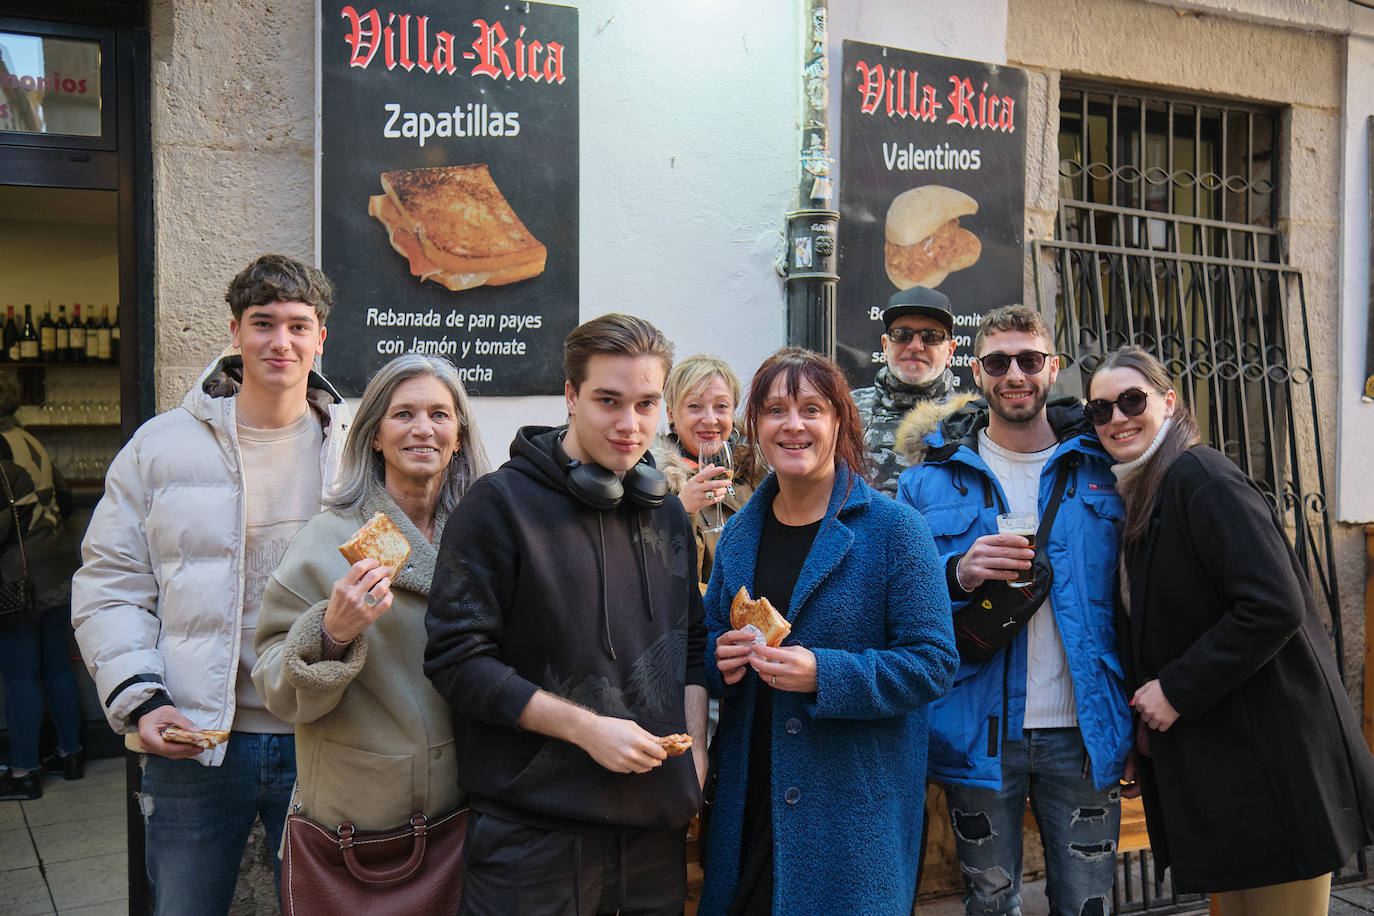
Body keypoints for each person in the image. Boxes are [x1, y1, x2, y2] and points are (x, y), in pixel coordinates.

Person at [71, 254, 350, 915]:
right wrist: (141, 699)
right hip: (196, 741)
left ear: (321, 338)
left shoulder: (357, 446)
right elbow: (111, 581)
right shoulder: (161, 445)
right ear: (234, 332)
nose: (280, 342)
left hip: (329, 736)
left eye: (297, 325)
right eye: (262, 324)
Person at [423, 313, 708, 916]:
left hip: (651, 837)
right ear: (571, 396)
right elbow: (458, 663)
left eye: (647, 403)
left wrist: (698, 757)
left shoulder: (666, 513)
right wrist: (586, 729)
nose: (630, 425)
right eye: (609, 400)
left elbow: (690, 645)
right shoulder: (497, 506)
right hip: (531, 841)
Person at [1087, 346, 1374, 914]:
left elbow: (1273, 605)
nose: (1117, 417)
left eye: (1132, 400)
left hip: (1273, 768)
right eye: (1100, 410)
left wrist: (1175, 689)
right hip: (1231, 771)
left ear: (1168, 403)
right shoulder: (1147, 488)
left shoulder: (1201, 475)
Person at [699, 347, 959, 916]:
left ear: (840, 421)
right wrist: (721, 658)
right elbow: (709, 644)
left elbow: (935, 662)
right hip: (749, 802)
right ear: (756, 428)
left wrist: (825, 674)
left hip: (849, 814)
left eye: (811, 409)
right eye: (774, 410)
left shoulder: (895, 531)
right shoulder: (740, 534)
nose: (793, 425)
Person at [896, 305, 1130, 916]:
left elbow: (1135, 597)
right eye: (999, 361)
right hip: (979, 729)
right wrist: (958, 572)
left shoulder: (1103, 469)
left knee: (1088, 903)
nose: (1015, 374)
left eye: (1029, 360)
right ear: (979, 372)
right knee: (990, 901)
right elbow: (899, 601)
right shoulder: (930, 480)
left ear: (1052, 369)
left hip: (1083, 729)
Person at [253, 355, 488, 857]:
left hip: (477, 808)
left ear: (460, 436)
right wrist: (332, 634)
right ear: (375, 436)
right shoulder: (327, 540)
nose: (423, 429)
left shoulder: (484, 538)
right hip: (362, 826)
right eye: (403, 414)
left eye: (439, 415)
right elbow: (276, 687)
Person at [0, 420, 83, 800]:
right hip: (55, 563)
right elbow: (64, 497)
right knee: (57, 666)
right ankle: (71, 756)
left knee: (20, 677)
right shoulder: (30, 439)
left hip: (18, 578)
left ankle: (25, 771)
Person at [650, 354, 758, 587]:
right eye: (694, 406)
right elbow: (671, 586)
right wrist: (682, 512)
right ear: (672, 415)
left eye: (721, 406)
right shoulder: (653, 485)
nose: (710, 419)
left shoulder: (756, 474)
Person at [850, 286, 960, 496]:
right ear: (885, 345)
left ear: (950, 350)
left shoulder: (970, 420)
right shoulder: (846, 412)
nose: (916, 346)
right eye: (902, 334)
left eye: (932, 336)